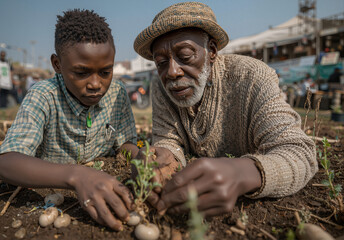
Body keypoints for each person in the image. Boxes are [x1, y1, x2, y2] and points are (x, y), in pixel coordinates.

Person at [133, 2, 317, 217]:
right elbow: (168, 139)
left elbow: (299, 153)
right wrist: (162, 158)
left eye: (184, 56)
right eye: (162, 62)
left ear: (211, 51)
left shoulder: (252, 77)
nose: (172, 72)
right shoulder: (160, 87)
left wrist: (243, 173)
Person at [0, 9, 138, 231]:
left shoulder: (117, 93)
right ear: (57, 65)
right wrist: (76, 176)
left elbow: (125, 145)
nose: (96, 84)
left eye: (105, 72)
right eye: (81, 73)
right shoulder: (44, 96)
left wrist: (142, 158)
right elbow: (5, 163)